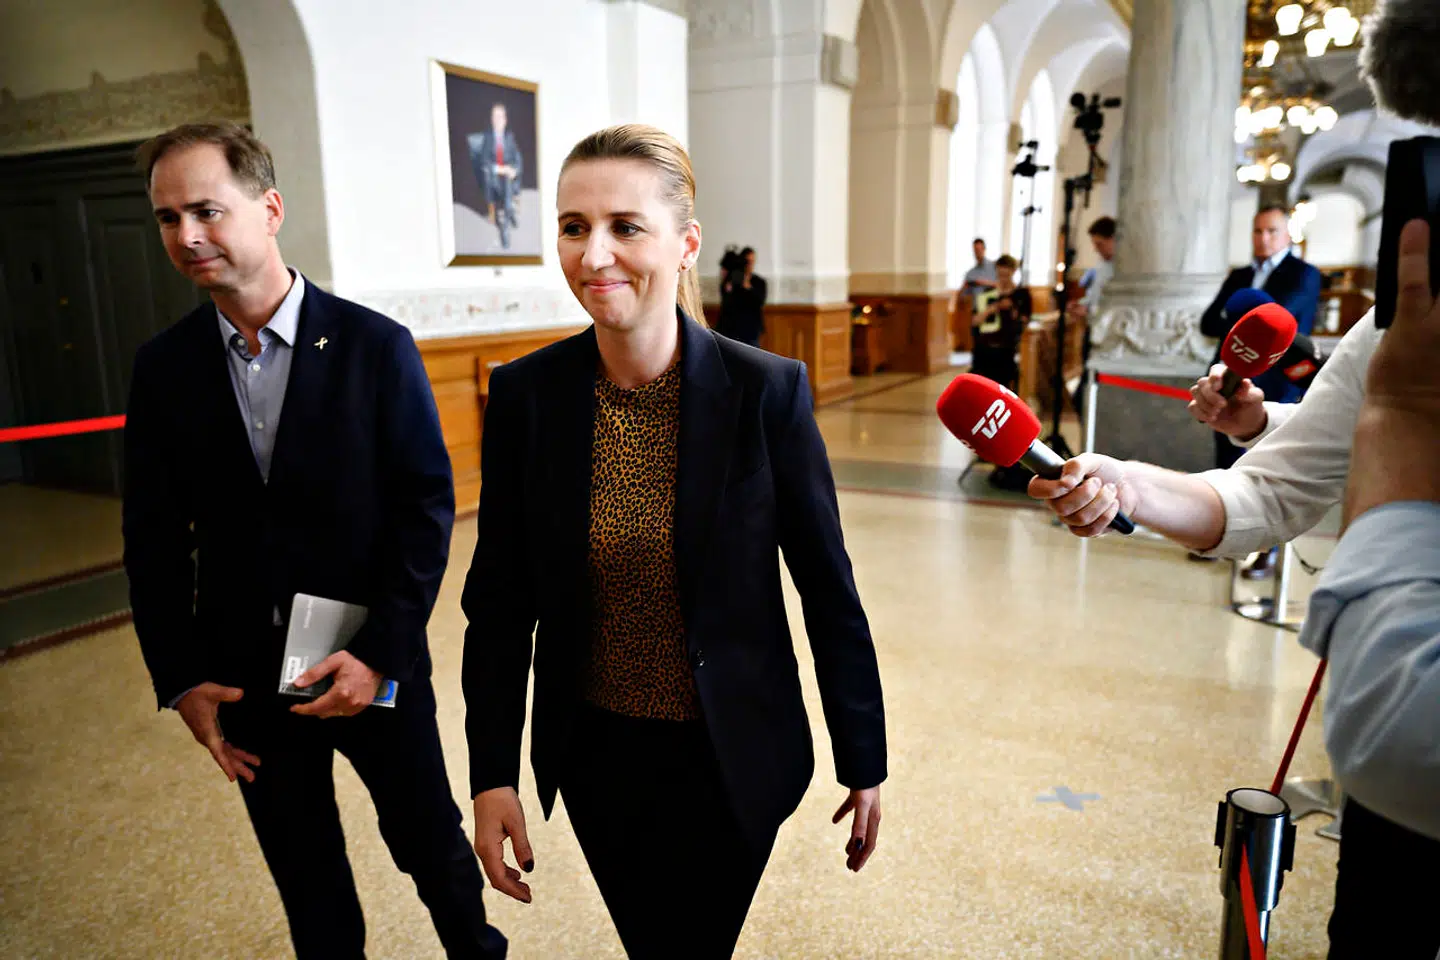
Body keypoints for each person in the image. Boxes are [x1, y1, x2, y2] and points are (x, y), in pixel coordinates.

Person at [460, 123, 887, 959]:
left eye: (626, 227)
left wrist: (862, 756)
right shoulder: (527, 397)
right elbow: (500, 607)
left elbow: (828, 588)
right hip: (596, 752)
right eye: (574, 227)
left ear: (686, 243)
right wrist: (491, 776)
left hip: (733, 750)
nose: (594, 255)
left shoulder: (765, 391)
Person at [123, 123, 506, 960]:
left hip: (367, 654)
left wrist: (380, 655)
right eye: (166, 218)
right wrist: (180, 676)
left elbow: (423, 513)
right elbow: (150, 538)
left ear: (269, 209)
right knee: (305, 873)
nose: (185, 236)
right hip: (244, 676)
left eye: (206, 211)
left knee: (430, 848)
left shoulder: (374, 347)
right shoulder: (164, 369)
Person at [1296, 217, 1440, 959]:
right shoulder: (1400, 320)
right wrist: (1128, 483)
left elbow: (1401, 732)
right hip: (1389, 830)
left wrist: (1405, 419)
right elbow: (1274, 481)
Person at [1199, 205, 1322, 468]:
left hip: (1274, 387)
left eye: (1272, 231)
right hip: (1227, 378)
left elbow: (1273, 325)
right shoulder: (1240, 275)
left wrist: (1236, 323)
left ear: (1288, 234)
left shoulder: (1304, 273)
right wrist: (1244, 328)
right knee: (1225, 466)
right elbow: (1208, 322)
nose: (1263, 238)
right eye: (1257, 231)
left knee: (1265, 468)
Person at [970, 254, 1030, 390]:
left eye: (1006, 275)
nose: (1003, 279)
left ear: (1013, 272)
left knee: (1003, 389)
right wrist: (993, 308)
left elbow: (1025, 319)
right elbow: (975, 321)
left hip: (1006, 350)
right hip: (984, 349)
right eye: (1000, 274)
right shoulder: (987, 294)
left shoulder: (1021, 294)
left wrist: (1014, 310)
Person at [467, 103, 523, 249]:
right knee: (506, 184)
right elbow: (484, 162)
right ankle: (506, 225)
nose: (498, 120)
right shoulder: (488, 137)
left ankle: (507, 218)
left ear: (505, 120)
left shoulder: (509, 136)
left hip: (508, 178)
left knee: (508, 182)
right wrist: (502, 170)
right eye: (495, 116)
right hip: (493, 178)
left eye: (500, 116)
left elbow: (517, 158)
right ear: (492, 119)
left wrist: (514, 171)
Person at [717, 245, 767, 347]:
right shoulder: (733, 280)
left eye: (752, 262)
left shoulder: (759, 282)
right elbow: (726, 303)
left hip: (751, 330)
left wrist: (747, 287)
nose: (749, 265)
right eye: (747, 262)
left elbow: (760, 301)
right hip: (732, 329)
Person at [961, 237, 998, 312]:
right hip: (976, 310)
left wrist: (982, 283)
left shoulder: (995, 267)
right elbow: (962, 295)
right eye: (975, 250)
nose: (977, 252)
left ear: (984, 249)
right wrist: (964, 288)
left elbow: (1002, 285)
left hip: (993, 309)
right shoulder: (970, 273)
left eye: (979, 249)